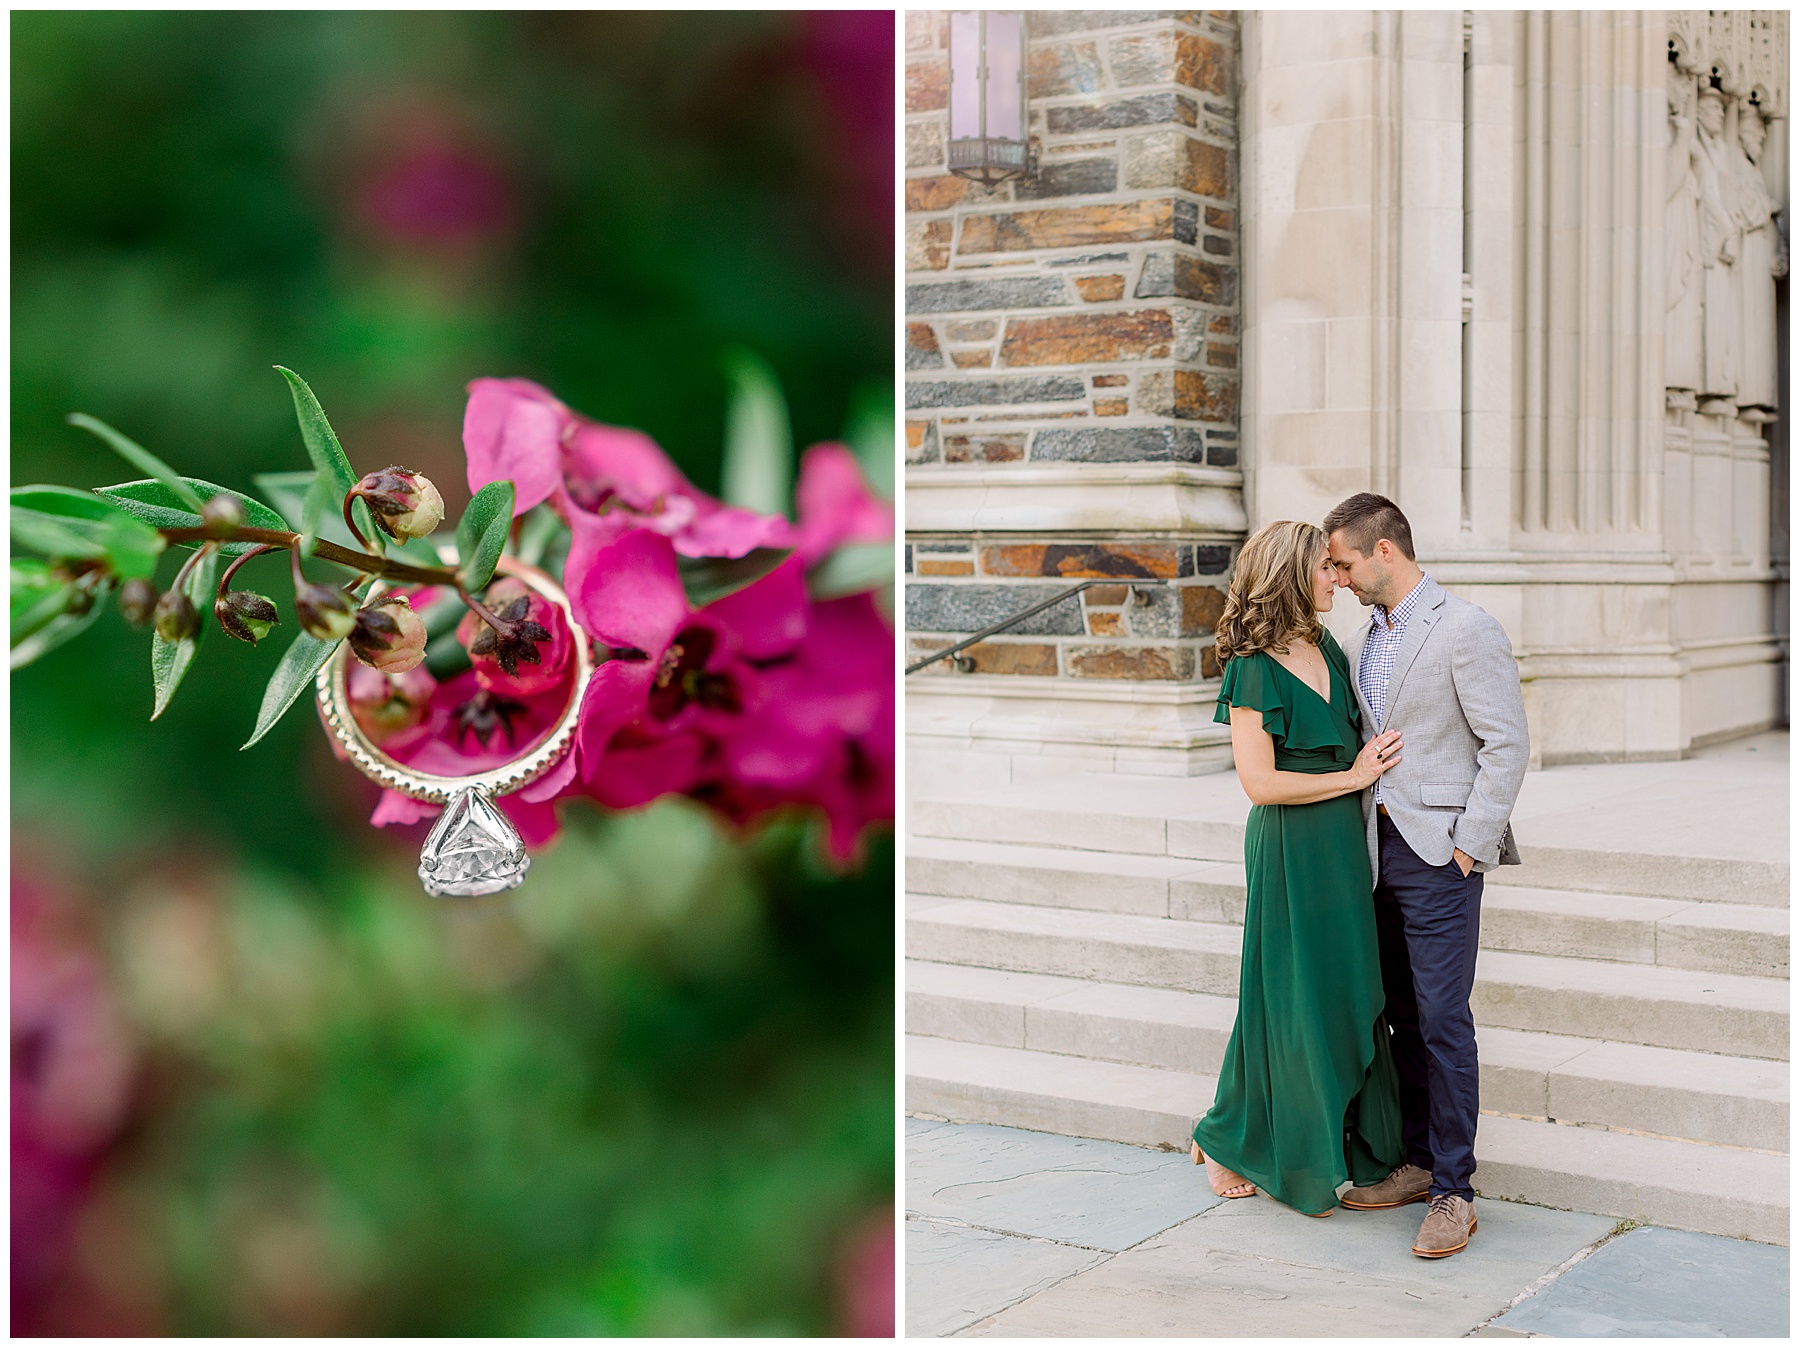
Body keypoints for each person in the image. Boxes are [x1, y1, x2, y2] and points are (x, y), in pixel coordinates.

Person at [1324, 492, 1529, 1259]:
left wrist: (1468, 846)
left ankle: (1455, 1191)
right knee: (1402, 1015)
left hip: (1440, 854)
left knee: (1443, 1021)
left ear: (1385, 550)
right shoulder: (1357, 642)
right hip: (1373, 857)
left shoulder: (1466, 629)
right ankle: (1414, 1163)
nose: (1338, 577)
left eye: (1344, 562)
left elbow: (1506, 745)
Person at [1189, 520, 1406, 1218]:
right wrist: (1352, 779)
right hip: (1290, 845)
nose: (1336, 578)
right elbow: (1260, 784)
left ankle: (1343, 1139)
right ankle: (1228, 1137)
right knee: (1283, 993)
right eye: (1324, 567)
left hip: (1342, 846)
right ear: (1291, 573)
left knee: (1346, 986)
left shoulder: (1327, 648)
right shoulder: (1251, 667)